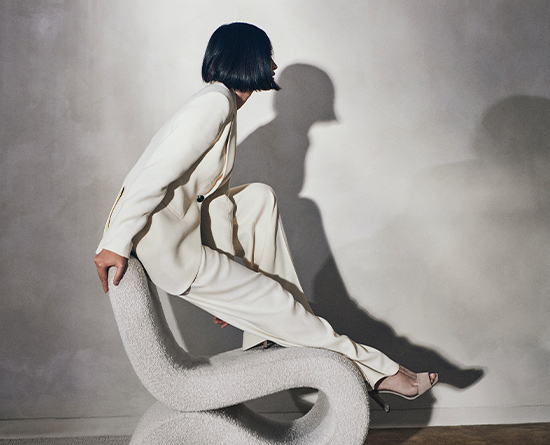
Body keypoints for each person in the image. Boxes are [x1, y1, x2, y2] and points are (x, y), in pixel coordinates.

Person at [94, 22, 437, 411]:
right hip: (168, 248)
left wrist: (232, 289)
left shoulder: (220, 102)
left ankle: (263, 332)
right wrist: (113, 243)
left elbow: (213, 202)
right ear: (248, 57)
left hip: (182, 234)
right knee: (278, 302)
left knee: (259, 196)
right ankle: (379, 371)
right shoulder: (214, 105)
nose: (273, 65)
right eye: (267, 55)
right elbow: (152, 174)